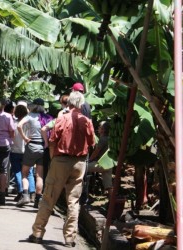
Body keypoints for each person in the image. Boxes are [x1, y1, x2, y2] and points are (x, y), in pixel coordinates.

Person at [28, 91, 95, 247]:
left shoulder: (62, 118)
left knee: (49, 196)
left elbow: (52, 140)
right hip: (79, 163)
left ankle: (37, 233)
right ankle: (70, 238)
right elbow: (91, 142)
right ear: (81, 104)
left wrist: (53, 158)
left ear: (69, 102)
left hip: (60, 160)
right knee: (73, 201)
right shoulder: (86, 121)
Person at [16, 98, 47, 208]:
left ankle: (25, 196)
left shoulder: (29, 116)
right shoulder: (45, 117)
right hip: (42, 147)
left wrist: (24, 138)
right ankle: (37, 201)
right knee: (39, 176)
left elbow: (19, 125)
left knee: (24, 173)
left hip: (31, 145)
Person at [10, 104, 36, 202]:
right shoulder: (29, 124)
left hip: (15, 151)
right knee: (29, 172)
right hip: (27, 150)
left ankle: (21, 192)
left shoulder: (13, 123)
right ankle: (32, 193)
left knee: (17, 172)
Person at [87, 121, 112, 197]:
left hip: (101, 164)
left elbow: (96, 152)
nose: (98, 128)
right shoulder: (109, 138)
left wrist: (89, 160)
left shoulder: (103, 139)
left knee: (83, 167)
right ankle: (113, 201)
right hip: (109, 164)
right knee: (108, 186)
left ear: (103, 130)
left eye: (99, 127)